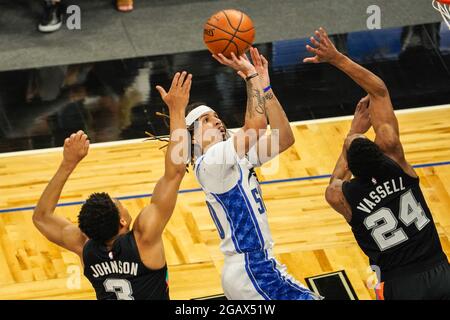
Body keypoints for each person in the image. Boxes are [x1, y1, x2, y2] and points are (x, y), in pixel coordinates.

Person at [305, 27, 450, 300]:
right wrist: (337, 58)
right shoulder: (396, 161)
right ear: (378, 151)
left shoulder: (342, 195)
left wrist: (351, 132)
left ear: (351, 166)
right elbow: (379, 92)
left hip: (401, 285)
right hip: (440, 270)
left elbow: (334, 181)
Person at [32, 71, 192, 299]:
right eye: (120, 204)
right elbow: (175, 173)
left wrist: (68, 164)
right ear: (123, 221)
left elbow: (41, 217)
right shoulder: (144, 238)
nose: (122, 203)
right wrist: (177, 110)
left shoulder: (84, 247)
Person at [187, 47, 320, 300]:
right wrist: (251, 77)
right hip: (253, 268)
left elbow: (283, 139)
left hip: (254, 268)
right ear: (191, 138)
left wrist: (266, 89)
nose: (216, 121)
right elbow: (256, 126)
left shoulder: (232, 157)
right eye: (205, 120)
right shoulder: (210, 162)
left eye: (216, 116)